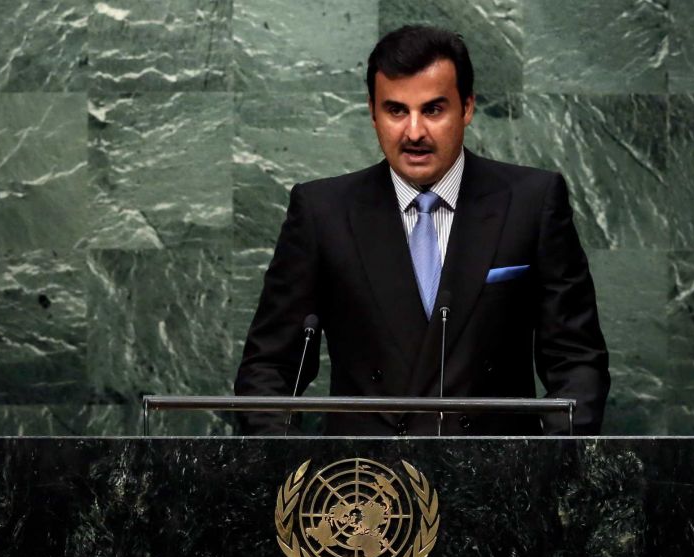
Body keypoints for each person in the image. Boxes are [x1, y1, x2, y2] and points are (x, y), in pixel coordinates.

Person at [234, 25, 609, 435]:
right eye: (396, 110)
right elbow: (269, 366)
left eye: (433, 109)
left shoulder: (532, 201)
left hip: (497, 481)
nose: (414, 132)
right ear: (372, 112)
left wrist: (554, 469)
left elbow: (575, 360)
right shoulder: (323, 211)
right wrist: (285, 471)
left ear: (466, 107)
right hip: (365, 484)